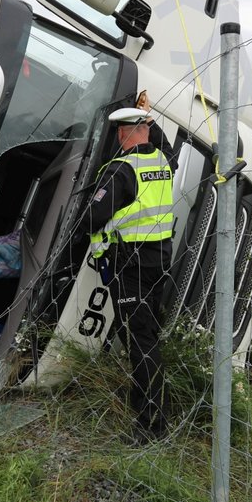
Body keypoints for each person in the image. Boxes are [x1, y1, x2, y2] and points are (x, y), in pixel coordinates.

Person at [78, 94, 175, 443]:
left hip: (131, 264)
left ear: (122, 133)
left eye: (119, 131)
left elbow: (93, 216)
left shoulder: (120, 170)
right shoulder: (163, 161)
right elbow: (162, 141)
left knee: (140, 341)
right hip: (159, 261)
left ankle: (152, 424)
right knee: (142, 333)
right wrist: (150, 118)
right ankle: (149, 409)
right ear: (145, 129)